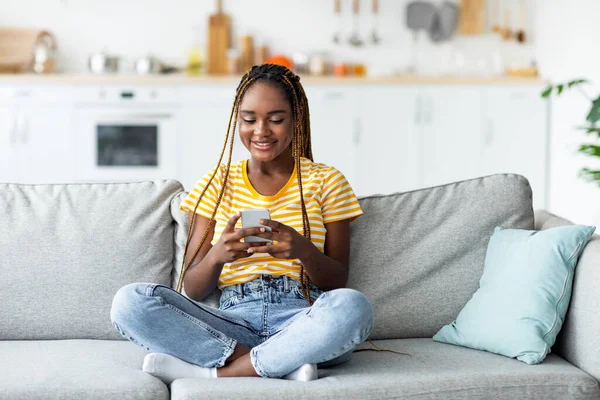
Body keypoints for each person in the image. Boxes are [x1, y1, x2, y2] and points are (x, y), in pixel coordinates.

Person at [110, 63, 374, 383]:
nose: (260, 131)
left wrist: (302, 249)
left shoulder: (327, 181)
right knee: (130, 302)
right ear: (238, 120)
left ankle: (221, 372)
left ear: (296, 120)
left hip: (302, 317)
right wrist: (219, 254)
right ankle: (281, 361)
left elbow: (337, 282)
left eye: (276, 120)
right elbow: (193, 288)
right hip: (233, 318)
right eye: (249, 119)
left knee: (353, 307)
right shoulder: (217, 183)